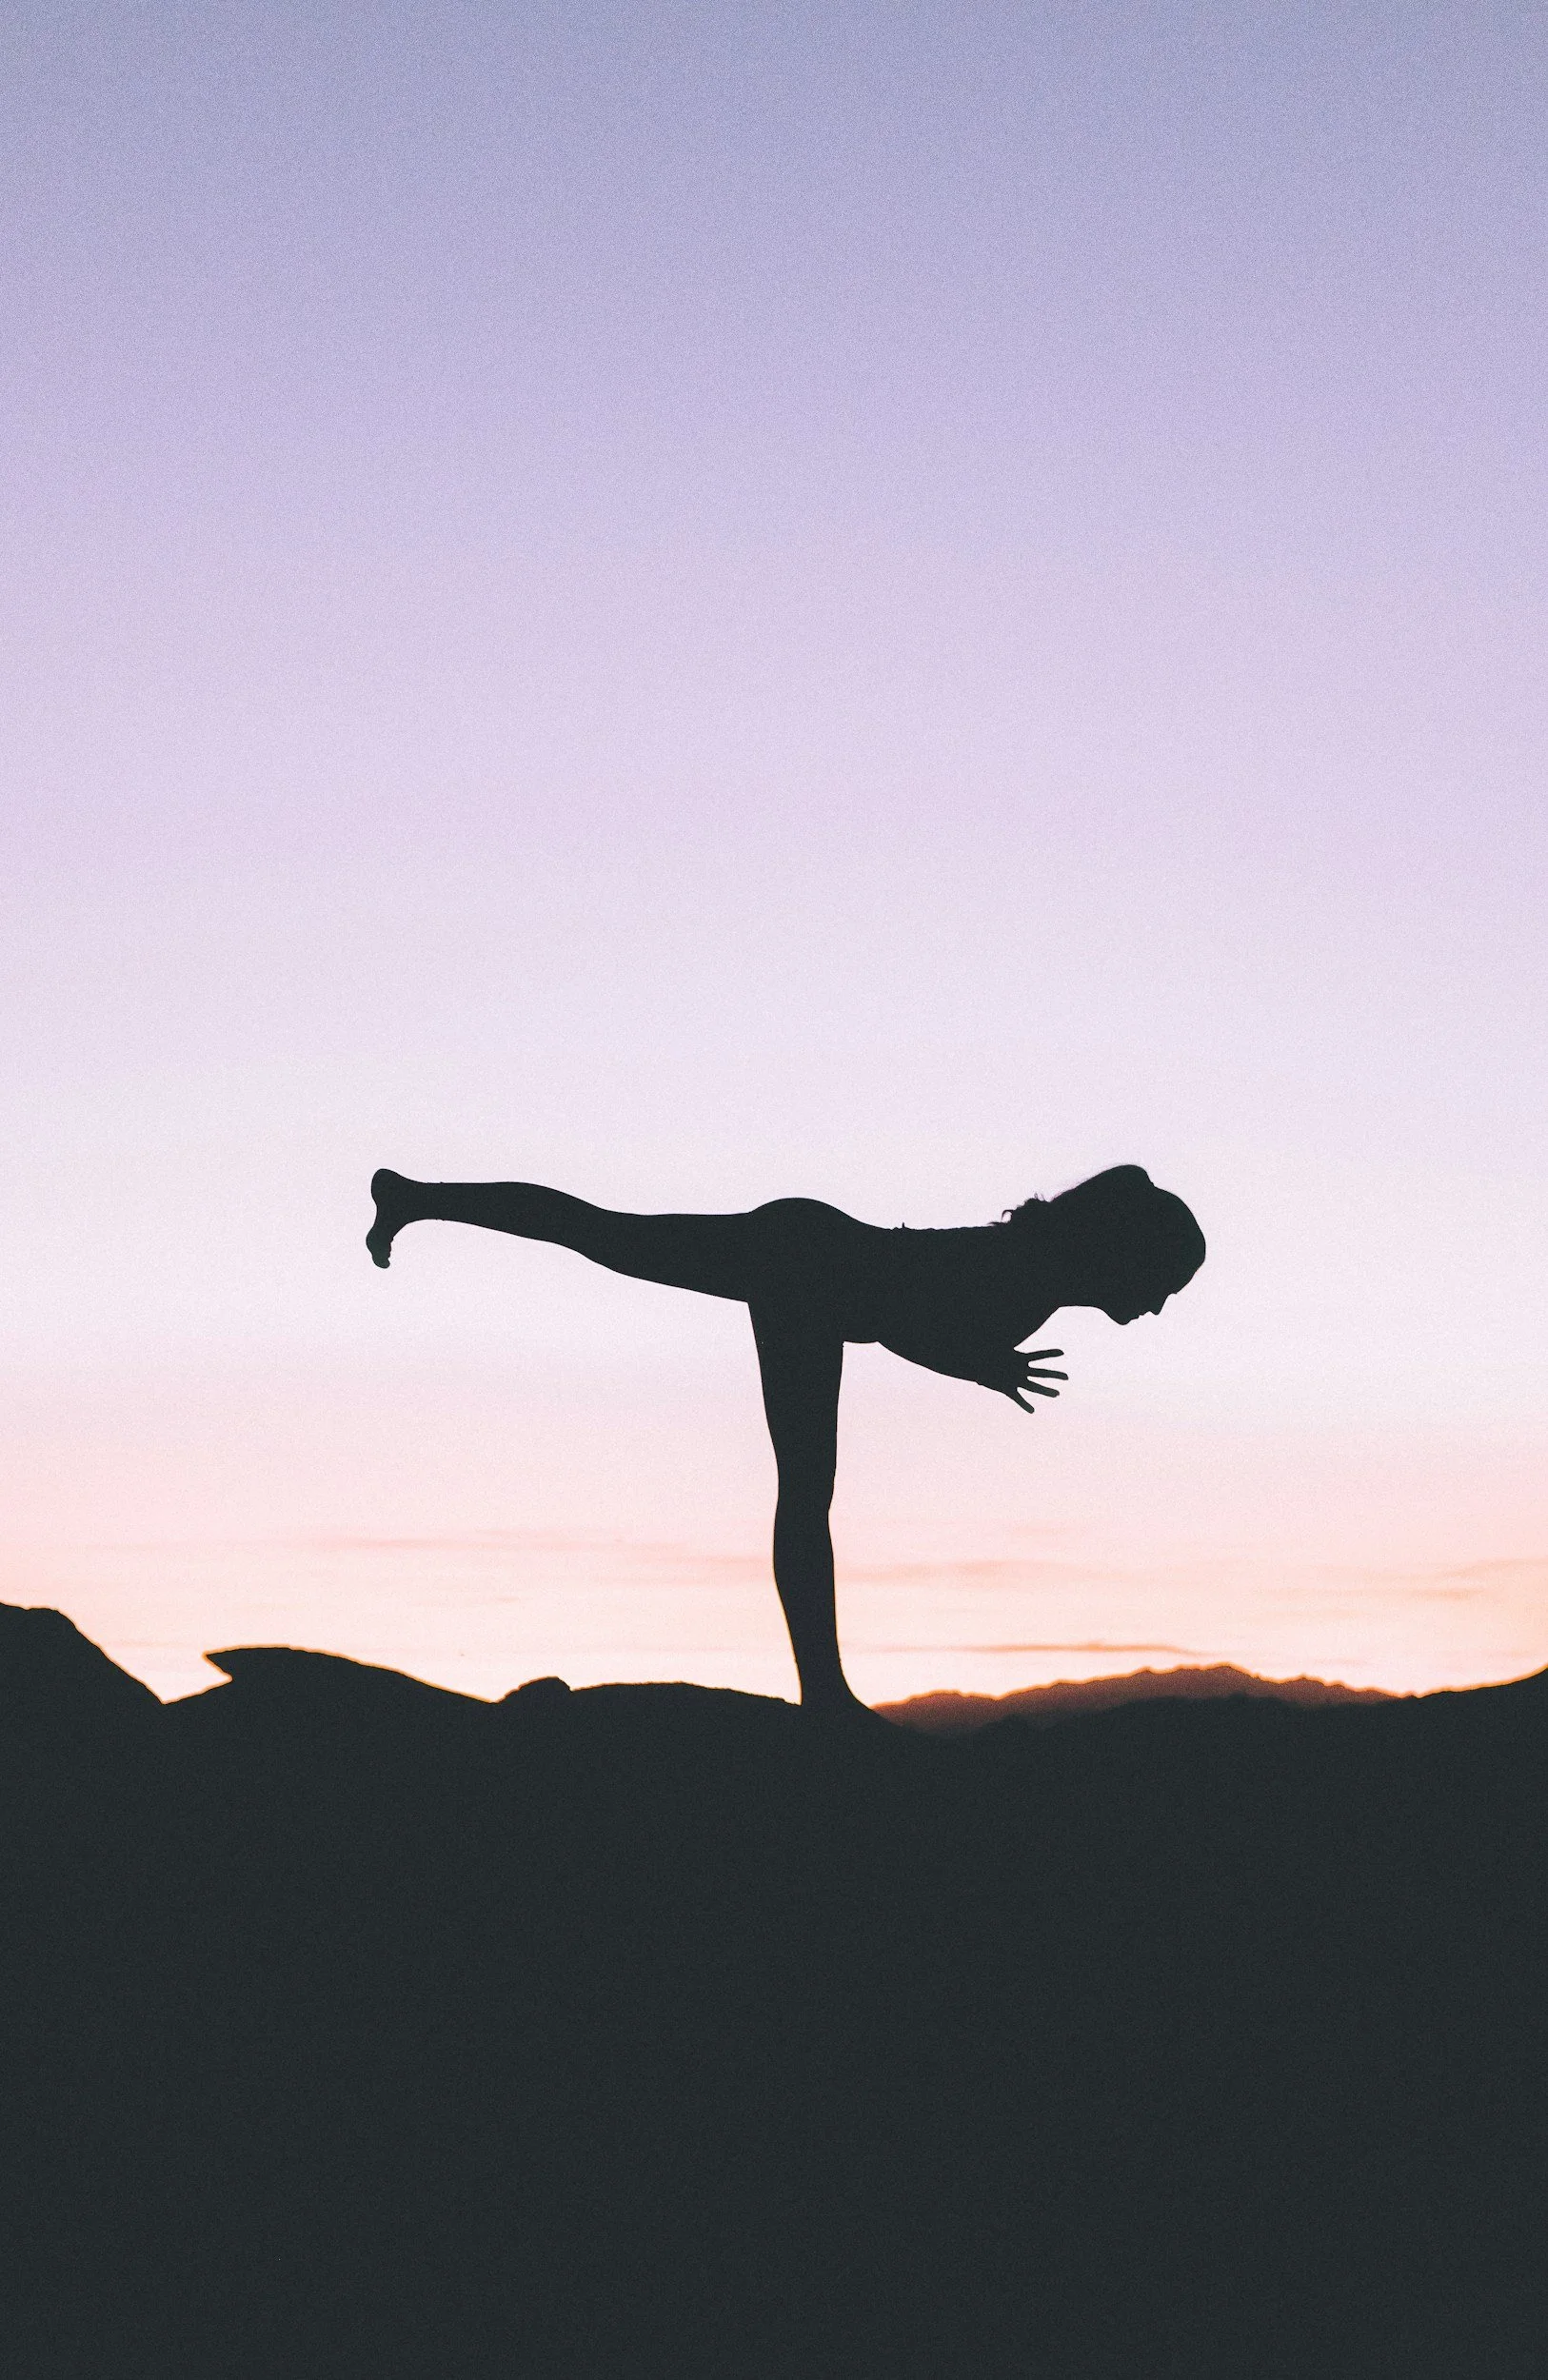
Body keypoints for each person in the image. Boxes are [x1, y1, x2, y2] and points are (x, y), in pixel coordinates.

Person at [366, 1165, 1205, 1722]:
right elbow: (906, 1320)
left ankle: (412, 1198)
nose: (1160, 1308)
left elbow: (921, 1316)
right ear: (1124, 1258)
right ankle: (825, 1696)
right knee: (806, 1490)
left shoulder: (1038, 1274)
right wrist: (981, 1367)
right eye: (1163, 1285)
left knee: (603, 1233)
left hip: (811, 1255)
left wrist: (978, 1363)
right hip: (808, 1271)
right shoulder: (1028, 1278)